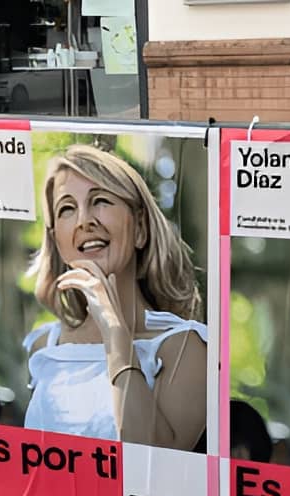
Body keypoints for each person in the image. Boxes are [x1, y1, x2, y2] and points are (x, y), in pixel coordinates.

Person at [22, 144, 207, 451]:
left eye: (101, 201)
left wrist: (116, 336)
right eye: (67, 208)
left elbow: (151, 462)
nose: (84, 220)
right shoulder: (45, 344)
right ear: (57, 240)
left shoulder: (185, 346)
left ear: (140, 230)